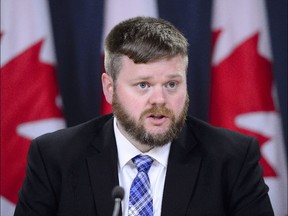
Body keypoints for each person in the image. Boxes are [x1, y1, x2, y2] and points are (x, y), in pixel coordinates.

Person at [14, 16, 274, 216]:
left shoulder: (233, 157)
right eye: (143, 85)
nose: (160, 99)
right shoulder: (55, 157)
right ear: (110, 88)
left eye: (172, 84)